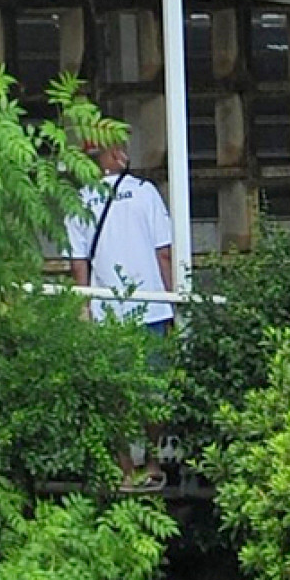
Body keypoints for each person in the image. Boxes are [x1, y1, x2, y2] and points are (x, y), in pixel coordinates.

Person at [63, 134, 178, 486]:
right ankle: (154, 463)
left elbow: (78, 263)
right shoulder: (146, 193)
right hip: (152, 307)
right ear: (113, 155)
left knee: (114, 395)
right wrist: (173, 301)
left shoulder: (80, 202)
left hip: (107, 312)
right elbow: (163, 254)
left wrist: (84, 306)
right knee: (154, 391)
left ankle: (124, 470)